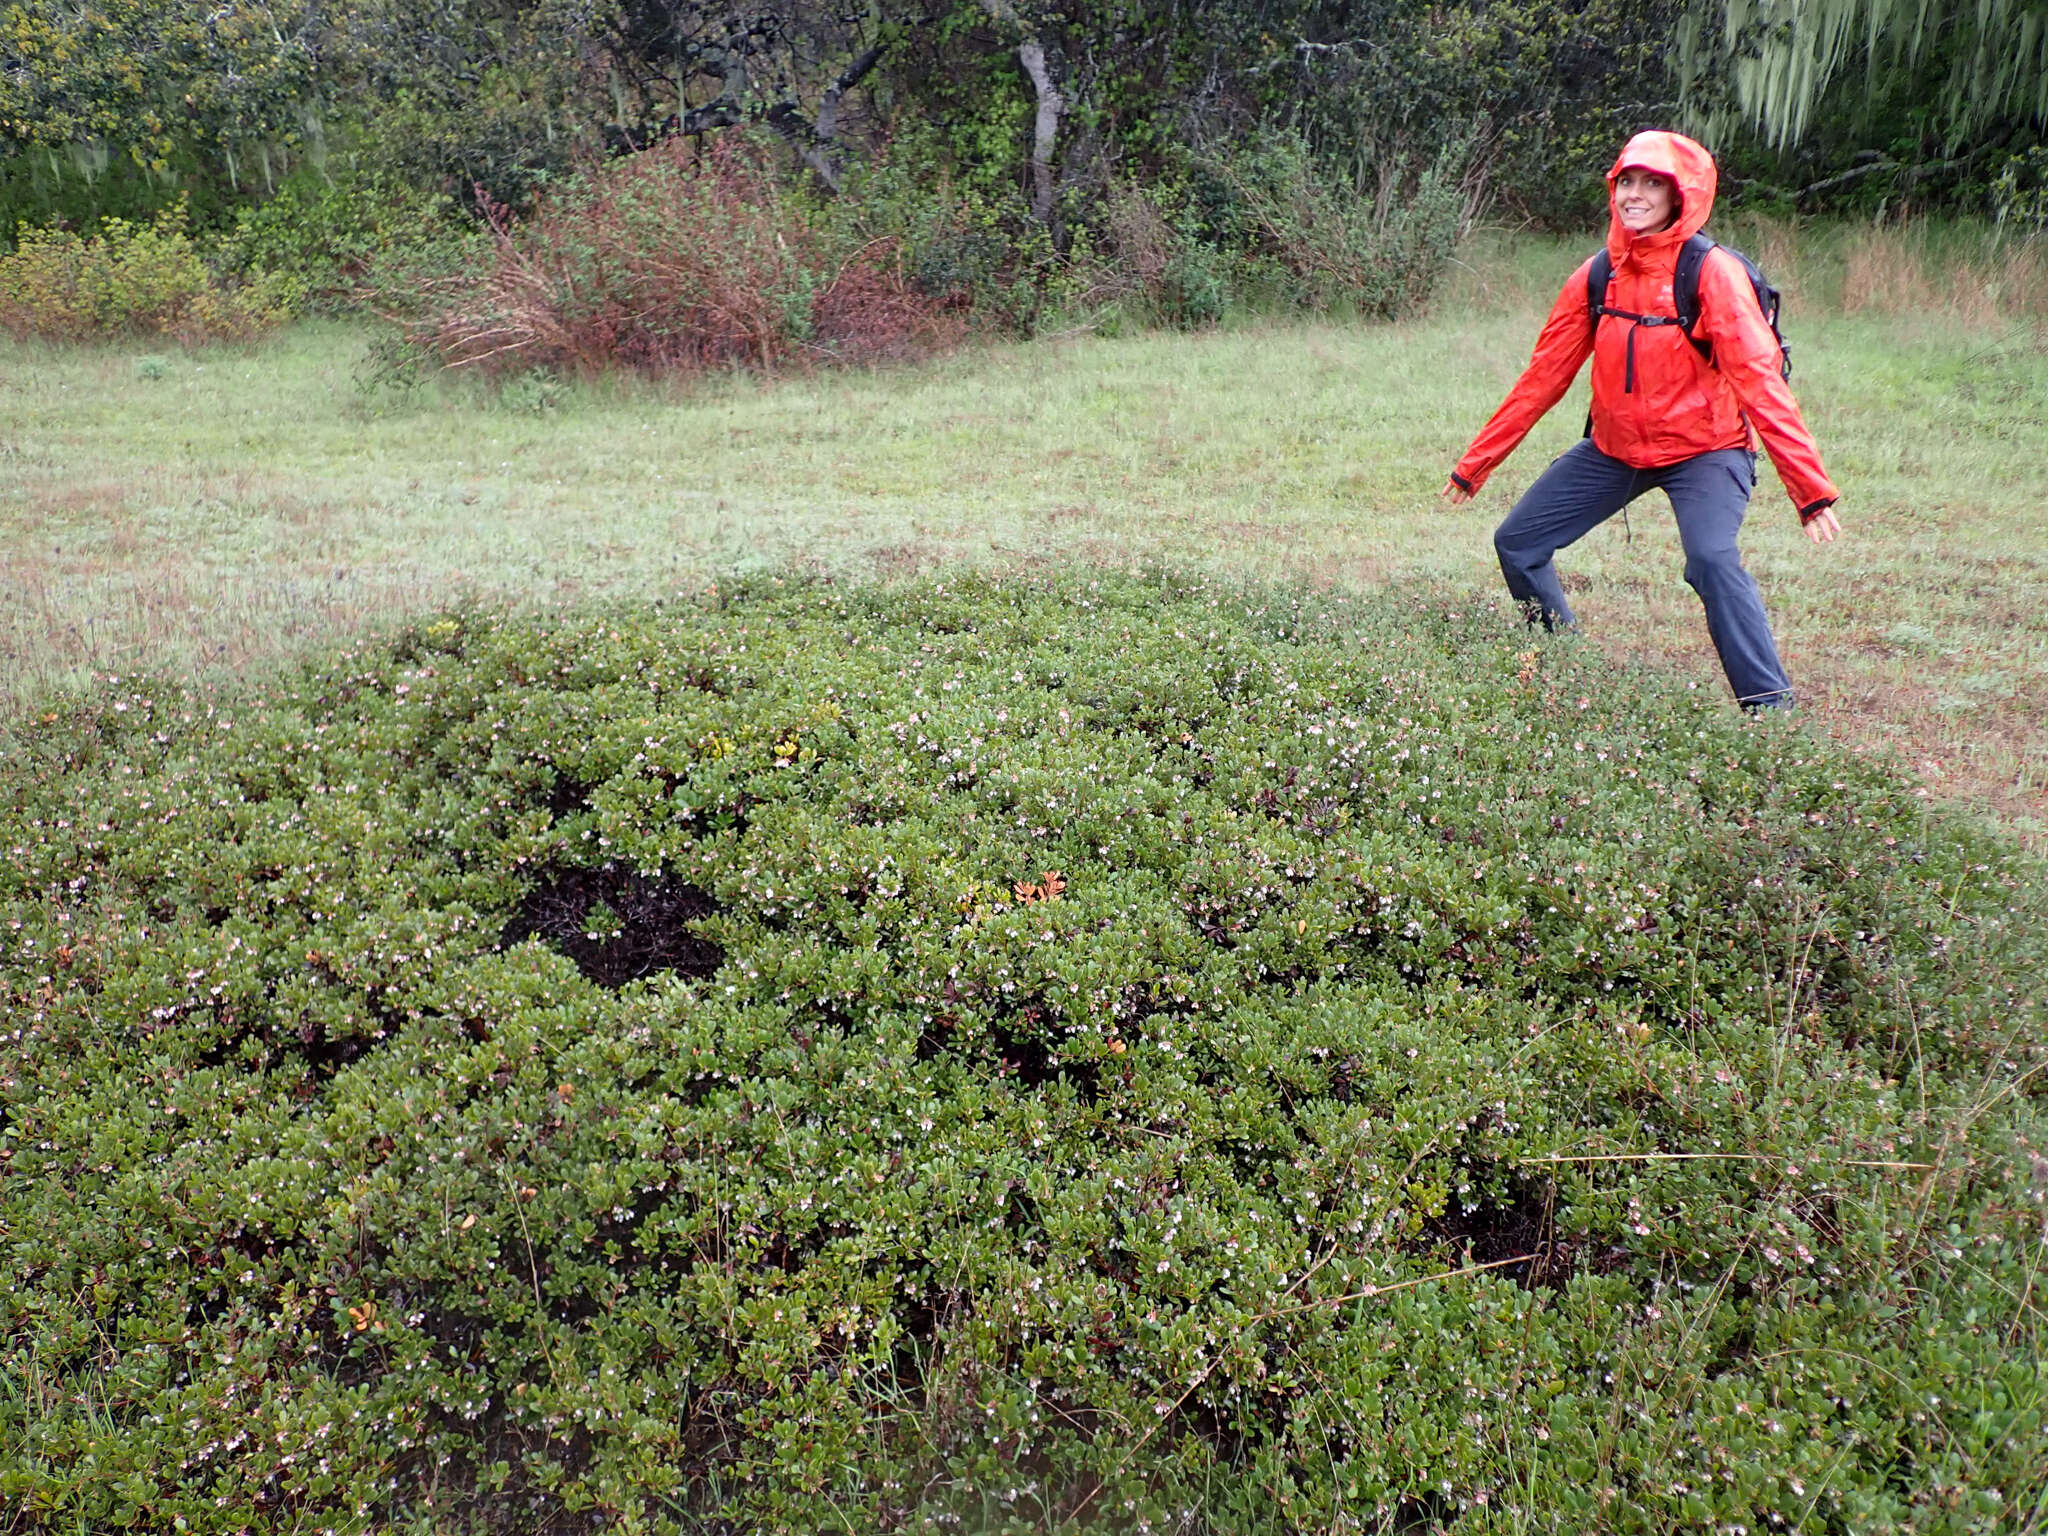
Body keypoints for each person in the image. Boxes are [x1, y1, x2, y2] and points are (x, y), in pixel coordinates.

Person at [1442, 130, 1840, 712]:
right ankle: (1567, 666)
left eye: (1652, 183)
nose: (1635, 194)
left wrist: (1809, 491)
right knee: (1519, 543)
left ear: (1682, 195)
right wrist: (1474, 466)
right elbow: (1543, 377)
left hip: (1707, 450)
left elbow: (1760, 381)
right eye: (1626, 181)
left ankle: (1770, 707)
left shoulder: (1711, 273)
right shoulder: (1599, 274)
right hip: (1615, 450)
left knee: (1710, 558)